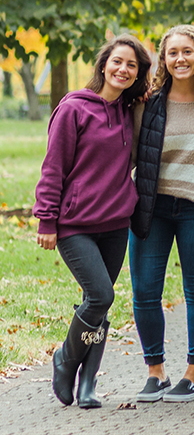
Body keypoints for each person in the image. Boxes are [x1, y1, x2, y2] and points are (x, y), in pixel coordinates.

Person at [34, 35, 152, 408]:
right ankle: (65, 363)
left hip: (116, 222)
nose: (123, 69)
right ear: (104, 65)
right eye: (118, 62)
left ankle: (88, 385)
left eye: (132, 65)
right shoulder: (74, 109)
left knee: (95, 303)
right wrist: (46, 220)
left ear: (137, 75)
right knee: (101, 295)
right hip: (75, 224)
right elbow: (53, 167)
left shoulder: (128, 111)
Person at [129, 25, 194, 403]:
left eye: (188, 51)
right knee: (144, 291)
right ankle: (155, 372)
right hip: (152, 208)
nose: (180, 59)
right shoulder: (148, 102)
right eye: (173, 53)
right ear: (163, 59)